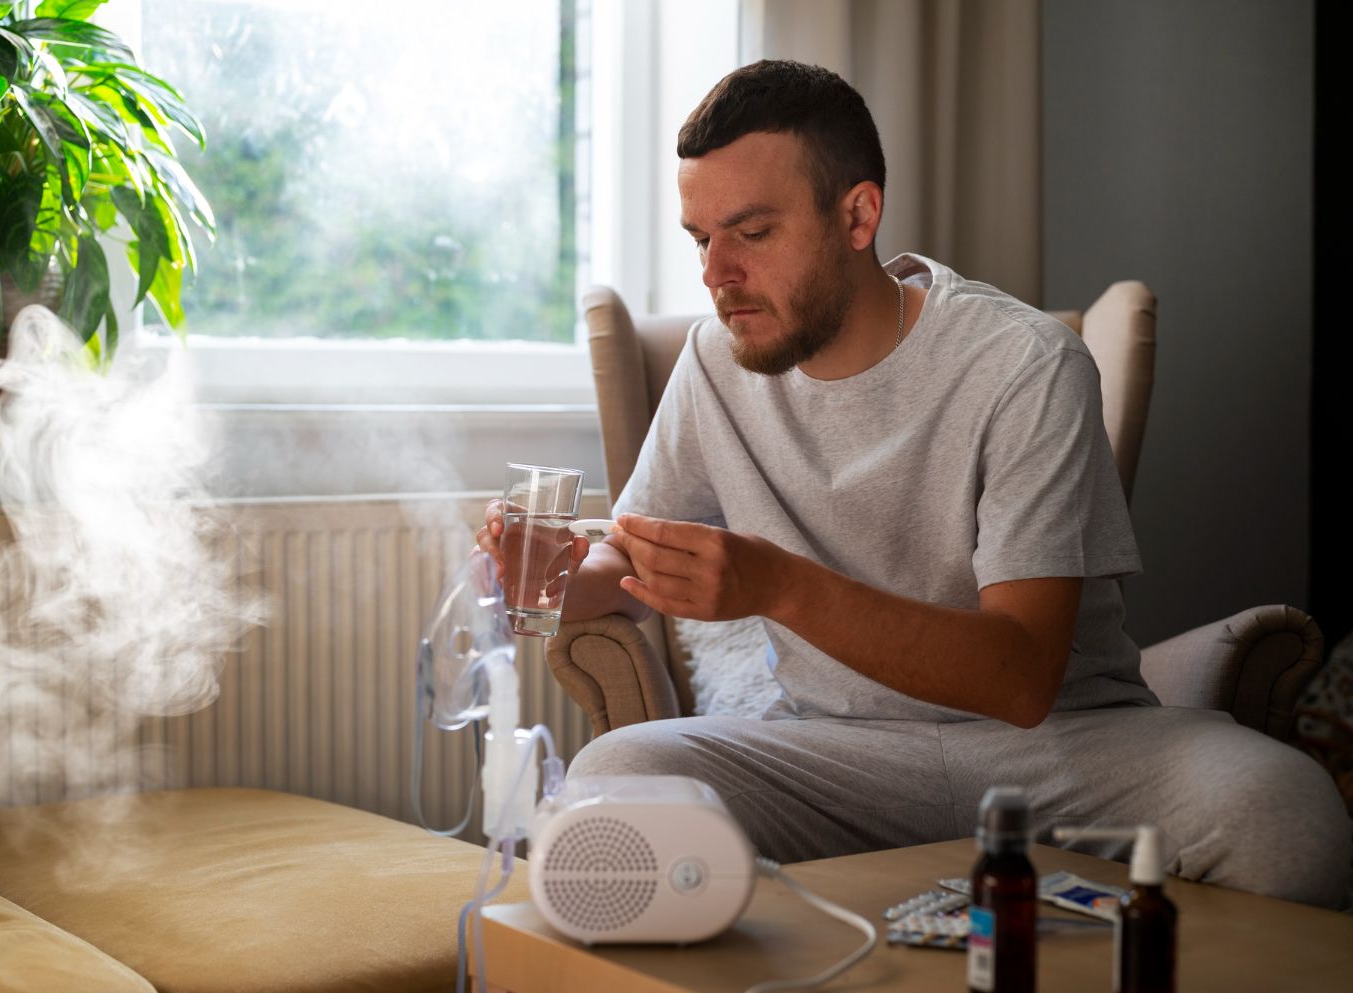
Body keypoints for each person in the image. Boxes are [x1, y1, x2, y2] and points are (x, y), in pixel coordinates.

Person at [475, 60, 1350, 908]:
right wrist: (542, 573)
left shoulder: (1025, 364)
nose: (715, 275)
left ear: (858, 216)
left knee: (1289, 818)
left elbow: (1020, 677)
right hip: (834, 756)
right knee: (613, 780)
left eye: (752, 232)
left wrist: (774, 584)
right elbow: (628, 565)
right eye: (702, 239)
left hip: (1062, 750)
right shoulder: (716, 363)